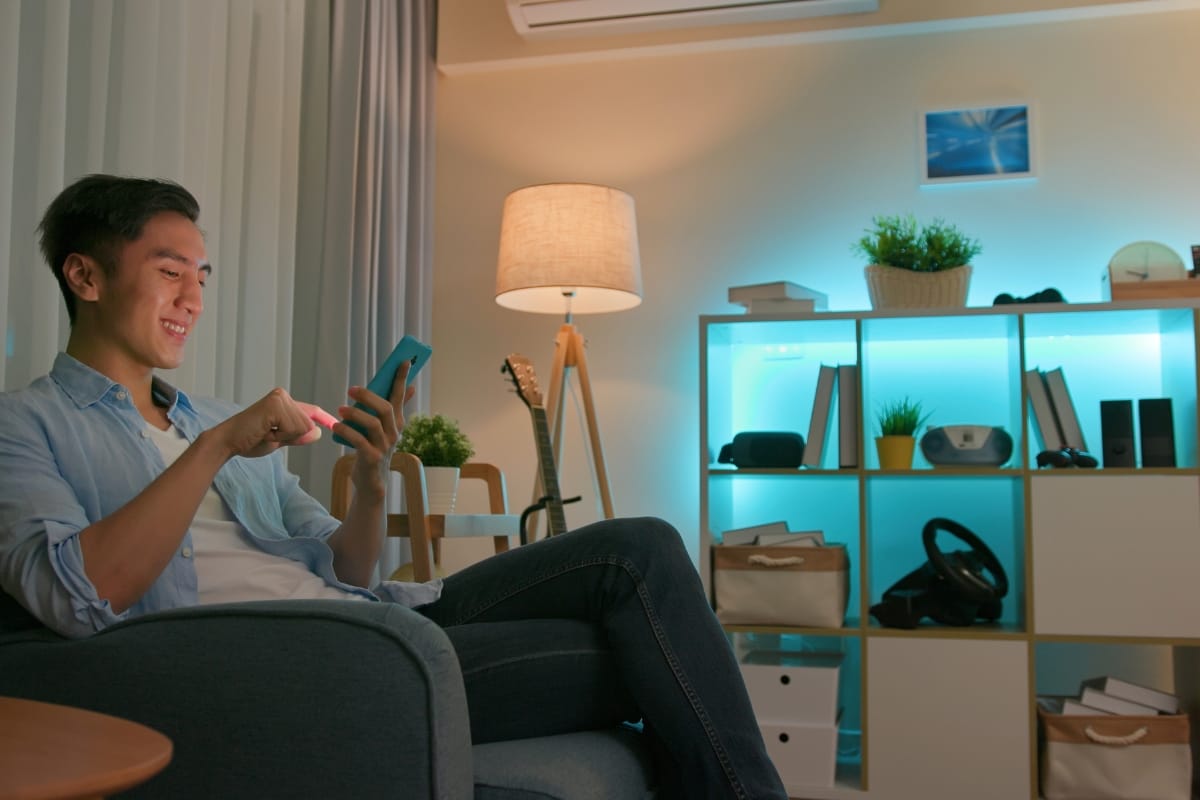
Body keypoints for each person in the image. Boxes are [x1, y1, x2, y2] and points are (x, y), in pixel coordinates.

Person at [0, 174, 787, 799]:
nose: (193, 300)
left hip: (372, 615)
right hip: (311, 661)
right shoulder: (27, 425)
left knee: (639, 551)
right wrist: (212, 448)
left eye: (202, 277)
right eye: (169, 273)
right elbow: (76, 595)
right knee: (655, 647)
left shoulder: (207, 416)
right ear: (84, 275)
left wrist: (372, 482)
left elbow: (351, 571)